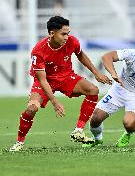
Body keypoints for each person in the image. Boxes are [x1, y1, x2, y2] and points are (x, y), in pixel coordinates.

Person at [9, 16, 112, 152]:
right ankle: (19, 142)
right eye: (63, 34)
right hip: (46, 81)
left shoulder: (71, 41)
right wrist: (55, 102)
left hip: (66, 76)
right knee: (31, 109)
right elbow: (43, 80)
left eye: (68, 33)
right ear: (52, 33)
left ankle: (78, 130)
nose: (66, 37)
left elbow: (80, 54)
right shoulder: (38, 50)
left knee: (93, 90)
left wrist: (96, 72)